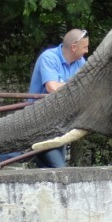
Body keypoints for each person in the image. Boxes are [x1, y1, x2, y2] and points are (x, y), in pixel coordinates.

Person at [28, 28, 90, 168]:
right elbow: (52, 88)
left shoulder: (80, 62)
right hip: (40, 122)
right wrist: (75, 85)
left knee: (50, 167)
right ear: (74, 47)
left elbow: (87, 87)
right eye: (85, 47)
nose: (87, 51)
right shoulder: (49, 57)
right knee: (59, 169)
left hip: (60, 123)